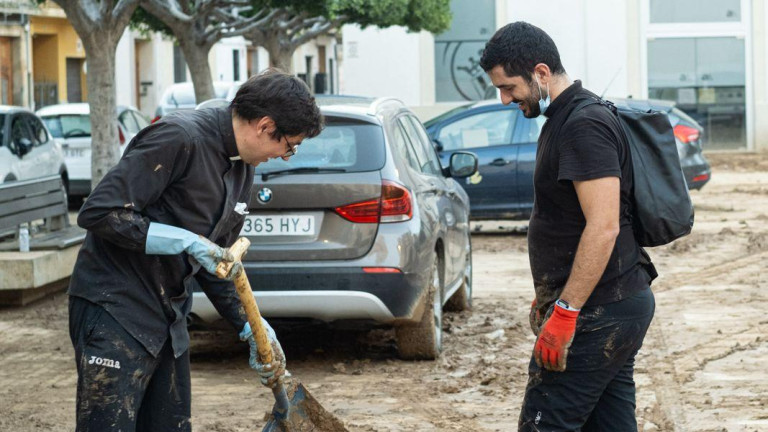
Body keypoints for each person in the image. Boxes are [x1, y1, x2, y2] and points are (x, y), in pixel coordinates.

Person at [68, 69, 323, 431]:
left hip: (169, 318)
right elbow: (99, 212)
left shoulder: (242, 167)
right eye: (289, 146)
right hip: (115, 310)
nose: (285, 156)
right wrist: (182, 240)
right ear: (266, 126)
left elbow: (218, 261)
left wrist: (253, 327)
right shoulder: (179, 136)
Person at [480, 22, 656, 431]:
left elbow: (603, 226)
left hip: (598, 312)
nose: (505, 98)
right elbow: (566, 221)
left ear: (540, 73)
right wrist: (549, 292)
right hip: (611, 303)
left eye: (508, 87)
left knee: (545, 424)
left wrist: (565, 310)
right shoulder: (564, 118)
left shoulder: (583, 124)